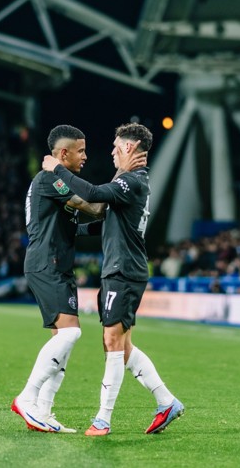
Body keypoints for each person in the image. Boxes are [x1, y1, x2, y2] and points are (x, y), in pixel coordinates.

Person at [43, 123, 183, 437]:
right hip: (118, 270)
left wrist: (56, 170)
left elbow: (92, 194)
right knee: (122, 345)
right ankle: (166, 401)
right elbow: (104, 222)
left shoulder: (132, 181)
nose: (112, 151)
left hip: (124, 272)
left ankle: (103, 419)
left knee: (112, 342)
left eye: (116, 146)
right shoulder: (128, 183)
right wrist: (67, 228)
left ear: (131, 148)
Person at [11, 125, 145, 433]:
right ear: (63, 154)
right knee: (69, 335)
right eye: (81, 151)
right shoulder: (49, 178)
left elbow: (83, 223)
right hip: (46, 264)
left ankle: (43, 411)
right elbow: (96, 206)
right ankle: (26, 397)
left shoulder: (55, 184)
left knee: (64, 339)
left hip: (59, 265)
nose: (86, 156)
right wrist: (122, 175)